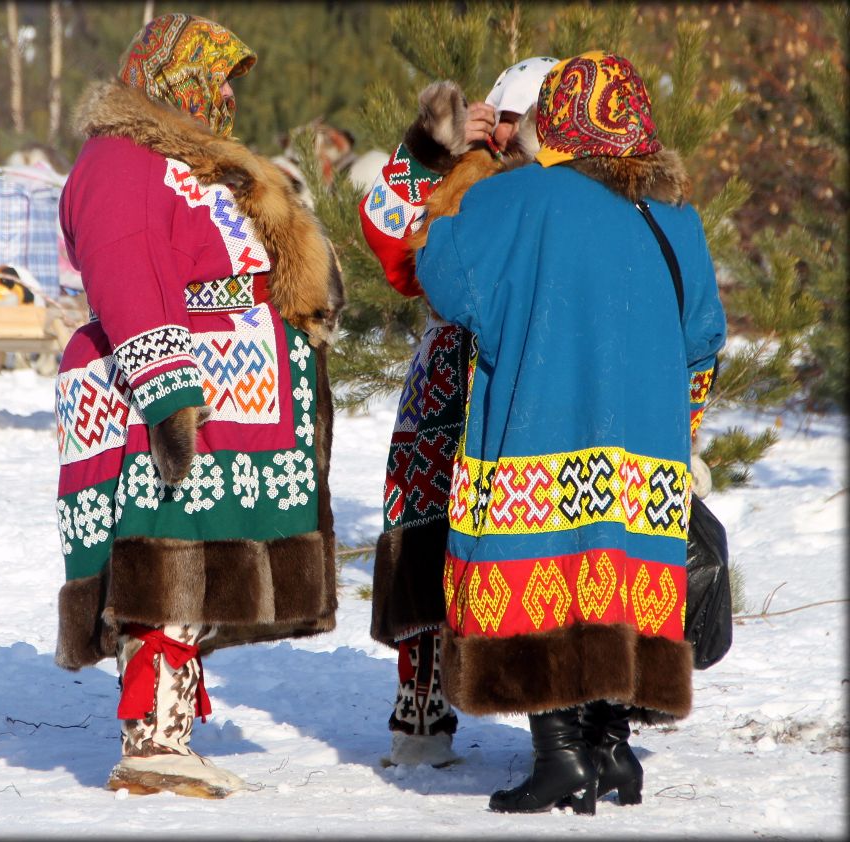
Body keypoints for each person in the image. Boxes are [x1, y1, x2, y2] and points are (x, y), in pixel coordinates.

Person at [415, 51, 727, 814]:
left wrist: (452, 167)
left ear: (558, 120)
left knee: (543, 582)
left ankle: (560, 757)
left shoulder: (525, 199)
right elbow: (704, 337)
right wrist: (672, 432)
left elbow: (441, 275)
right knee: (619, 583)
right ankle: (612, 750)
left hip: (539, 440)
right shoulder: (674, 211)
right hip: (643, 456)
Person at [52, 13, 343, 799]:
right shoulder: (123, 161)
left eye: (228, 82)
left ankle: (167, 730)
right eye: (210, 79)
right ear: (167, 80)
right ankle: (152, 738)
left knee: (193, 567)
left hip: (232, 402)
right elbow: (128, 275)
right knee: (164, 562)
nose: (223, 96)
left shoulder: (189, 161)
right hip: (173, 401)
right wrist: (168, 396)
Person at [359, 57, 559, 770]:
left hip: (531, 377)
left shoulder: (573, 191)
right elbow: (386, 241)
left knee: (539, 544)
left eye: (522, 119)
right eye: (501, 117)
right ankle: (421, 714)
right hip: (448, 380)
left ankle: (554, 722)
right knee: (425, 540)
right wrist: (427, 149)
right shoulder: (459, 176)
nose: (508, 133)